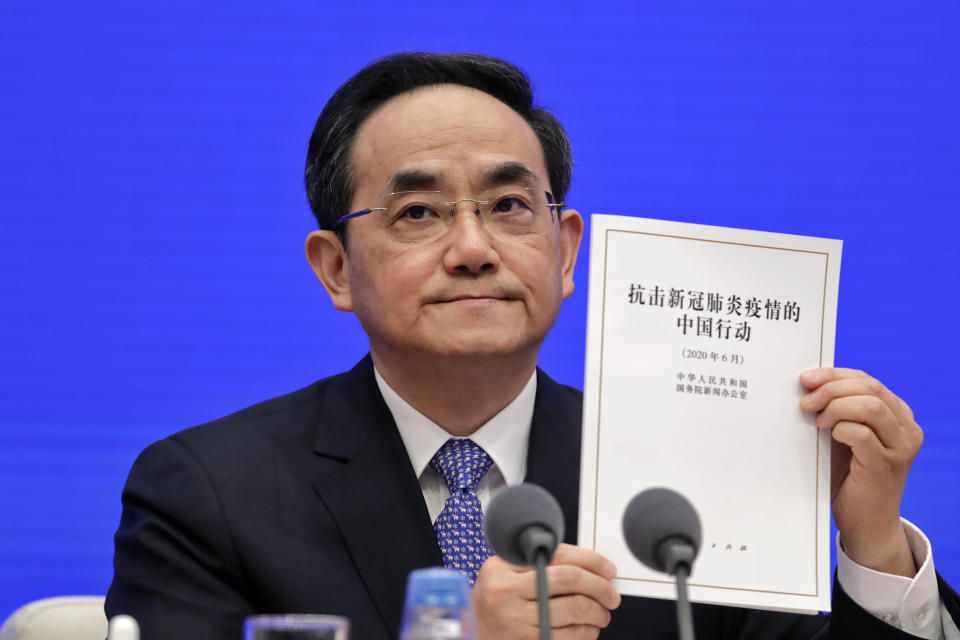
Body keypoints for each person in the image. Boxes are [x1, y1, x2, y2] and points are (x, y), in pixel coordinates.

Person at [105, 52, 959, 640]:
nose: (474, 246)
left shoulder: (684, 479)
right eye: (417, 213)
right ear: (335, 269)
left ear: (566, 251)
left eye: (511, 206)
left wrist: (874, 545)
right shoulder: (209, 492)